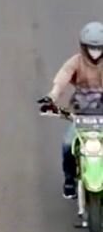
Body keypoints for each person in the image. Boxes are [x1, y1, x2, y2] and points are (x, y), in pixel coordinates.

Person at [39, 22, 103, 198]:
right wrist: (52, 96)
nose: (95, 52)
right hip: (81, 113)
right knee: (68, 145)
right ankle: (69, 180)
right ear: (83, 46)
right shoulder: (76, 62)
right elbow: (63, 77)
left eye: (98, 48)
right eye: (91, 48)